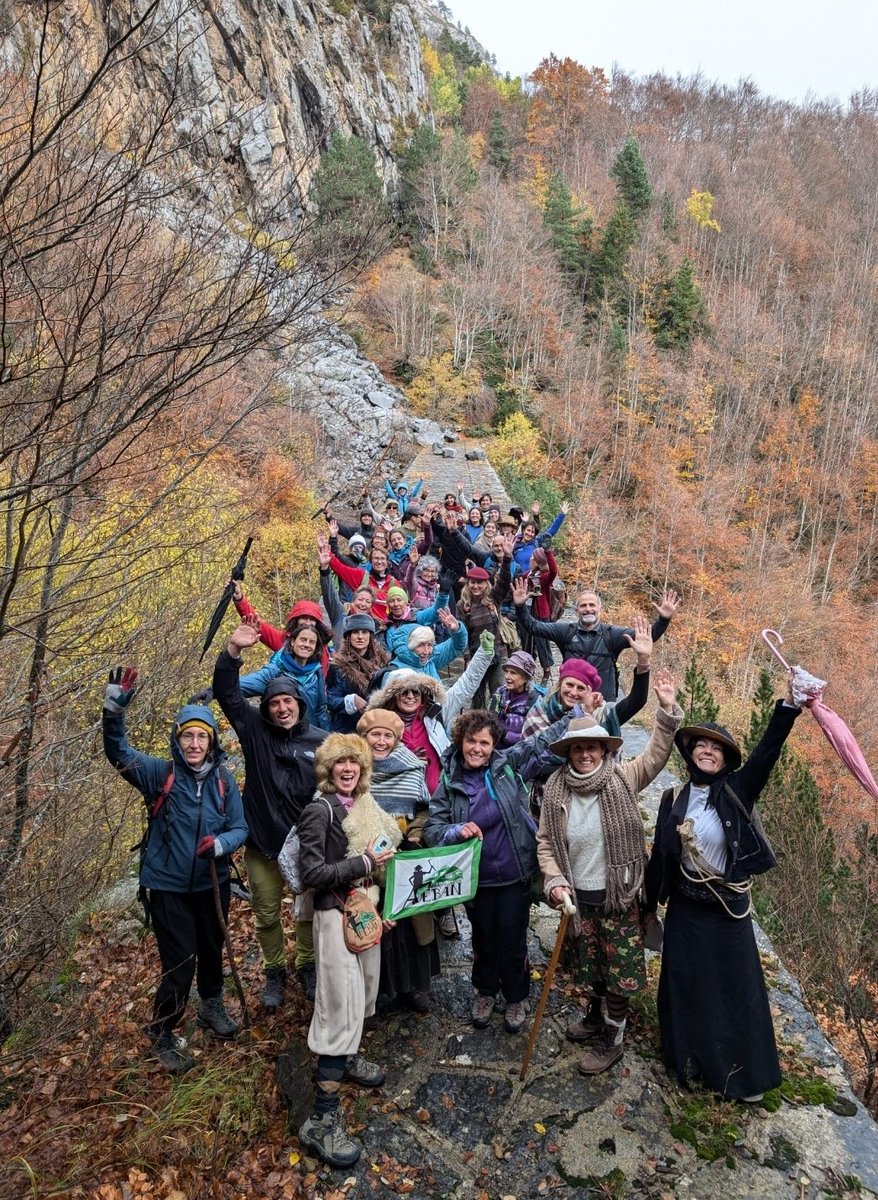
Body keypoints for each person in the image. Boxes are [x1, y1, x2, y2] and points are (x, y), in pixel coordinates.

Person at [643, 691, 802, 1102]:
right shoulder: (673, 799)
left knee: (735, 989)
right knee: (682, 984)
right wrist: (648, 906)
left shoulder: (736, 792)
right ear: (690, 752)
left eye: (716, 748)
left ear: (726, 759)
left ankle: (742, 1076)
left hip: (725, 913)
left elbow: (767, 753)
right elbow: (661, 856)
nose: (708, 751)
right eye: (702, 745)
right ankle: (687, 1059)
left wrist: (788, 707)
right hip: (684, 909)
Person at [537, 670, 682, 1075]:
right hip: (579, 898)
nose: (586, 754)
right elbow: (546, 842)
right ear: (569, 752)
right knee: (591, 967)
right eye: (579, 748)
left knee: (619, 975)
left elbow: (655, 755)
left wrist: (667, 713)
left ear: (604, 749)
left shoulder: (622, 777)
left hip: (619, 897)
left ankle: (613, 1039)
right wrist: (553, 879)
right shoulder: (555, 788)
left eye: (593, 747)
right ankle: (595, 1017)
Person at [102, 671, 247, 1073]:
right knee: (180, 963)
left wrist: (220, 845)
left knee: (212, 949)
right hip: (167, 887)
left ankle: (211, 1005)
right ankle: (162, 1030)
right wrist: (113, 711)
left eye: (203, 737)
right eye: (188, 737)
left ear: (213, 741)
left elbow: (240, 827)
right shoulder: (157, 774)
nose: (196, 744)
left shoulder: (223, 781)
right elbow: (118, 753)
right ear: (178, 739)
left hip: (213, 883)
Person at [422, 705, 578, 1034]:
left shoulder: (506, 766)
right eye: (471, 741)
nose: (477, 749)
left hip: (514, 873)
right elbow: (432, 829)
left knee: (513, 939)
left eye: (485, 743)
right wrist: (456, 829)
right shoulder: (449, 781)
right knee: (483, 940)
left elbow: (541, 741)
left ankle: (516, 996)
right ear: (460, 740)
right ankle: (486, 991)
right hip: (475, 879)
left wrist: (577, 712)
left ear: (494, 745)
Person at [297, 734, 400, 1168]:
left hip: (361, 912)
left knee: (364, 993)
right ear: (328, 769)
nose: (347, 769)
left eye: (354, 763)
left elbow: (382, 857)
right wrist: (361, 866)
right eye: (339, 763)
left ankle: (350, 1056)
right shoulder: (318, 811)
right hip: (333, 916)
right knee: (339, 1006)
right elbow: (312, 872)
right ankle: (320, 1122)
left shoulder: (363, 805)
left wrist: (378, 903)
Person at [213, 618, 328, 1006]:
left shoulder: (322, 742)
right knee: (265, 914)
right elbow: (227, 695)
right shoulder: (254, 732)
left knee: (307, 914)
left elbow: (344, 787)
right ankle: (274, 970)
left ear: (300, 704)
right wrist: (232, 653)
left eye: (288, 702)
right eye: (275, 703)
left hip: (306, 846)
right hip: (263, 842)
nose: (282, 709)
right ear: (266, 708)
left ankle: (307, 965)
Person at [357, 708, 439, 1012]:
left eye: (387, 735)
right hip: (367, 861)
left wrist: (416, 830)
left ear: (396, 739)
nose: (380, 741)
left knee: (411, 926)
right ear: (364, 737)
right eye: (374, 735)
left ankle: (416, 988)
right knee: (378, 925)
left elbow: (424, 809)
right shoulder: (355, 768)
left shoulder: (411, 768)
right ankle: (379, 989)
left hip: (405, 855)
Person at [513, 580, 681, 702]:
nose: (588, 609)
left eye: (592, 605)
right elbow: (533, 627)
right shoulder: (565, 631)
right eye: (583, 605)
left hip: (602, 704)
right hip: (572, 701)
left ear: (600, 608)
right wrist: (520, 607)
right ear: (577, 609)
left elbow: (646, 638)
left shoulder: (612, 635)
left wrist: (664, 620)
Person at [326, 614, 390, 732]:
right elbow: (330, 700)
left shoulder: (383, 663)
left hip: (376, 727)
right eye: (355, 632)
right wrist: (351, 701)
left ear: (370, 636)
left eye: (364, 632)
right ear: (349, 636)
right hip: (347, 729)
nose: (360, 637)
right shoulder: (338, 666)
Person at [488, 650, 544, 747]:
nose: (507, 677)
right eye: (506, 672)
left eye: (513, 673)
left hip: (521, 752)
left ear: (526, 677)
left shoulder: (535, 700)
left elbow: (536, 737)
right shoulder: (500, 693)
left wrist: (507, 735)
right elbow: (489, 721)